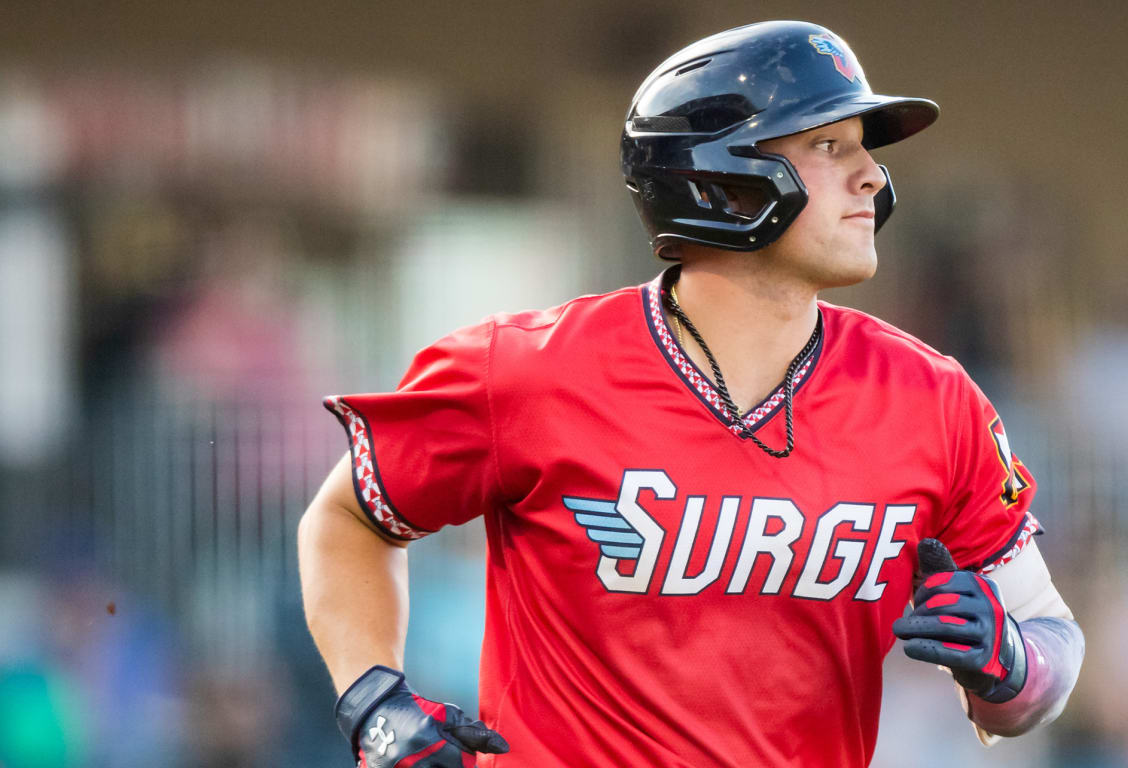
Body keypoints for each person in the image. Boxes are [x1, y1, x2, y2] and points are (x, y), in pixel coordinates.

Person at [298, 20, 1084, 768]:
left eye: (863, 151)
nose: (872, 173)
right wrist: (373, 699)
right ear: (726, 179)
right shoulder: (527, 371)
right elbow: (347, 519)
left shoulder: (932, 399)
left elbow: (1046, 651)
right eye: (826, 145)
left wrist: (1009, 664)